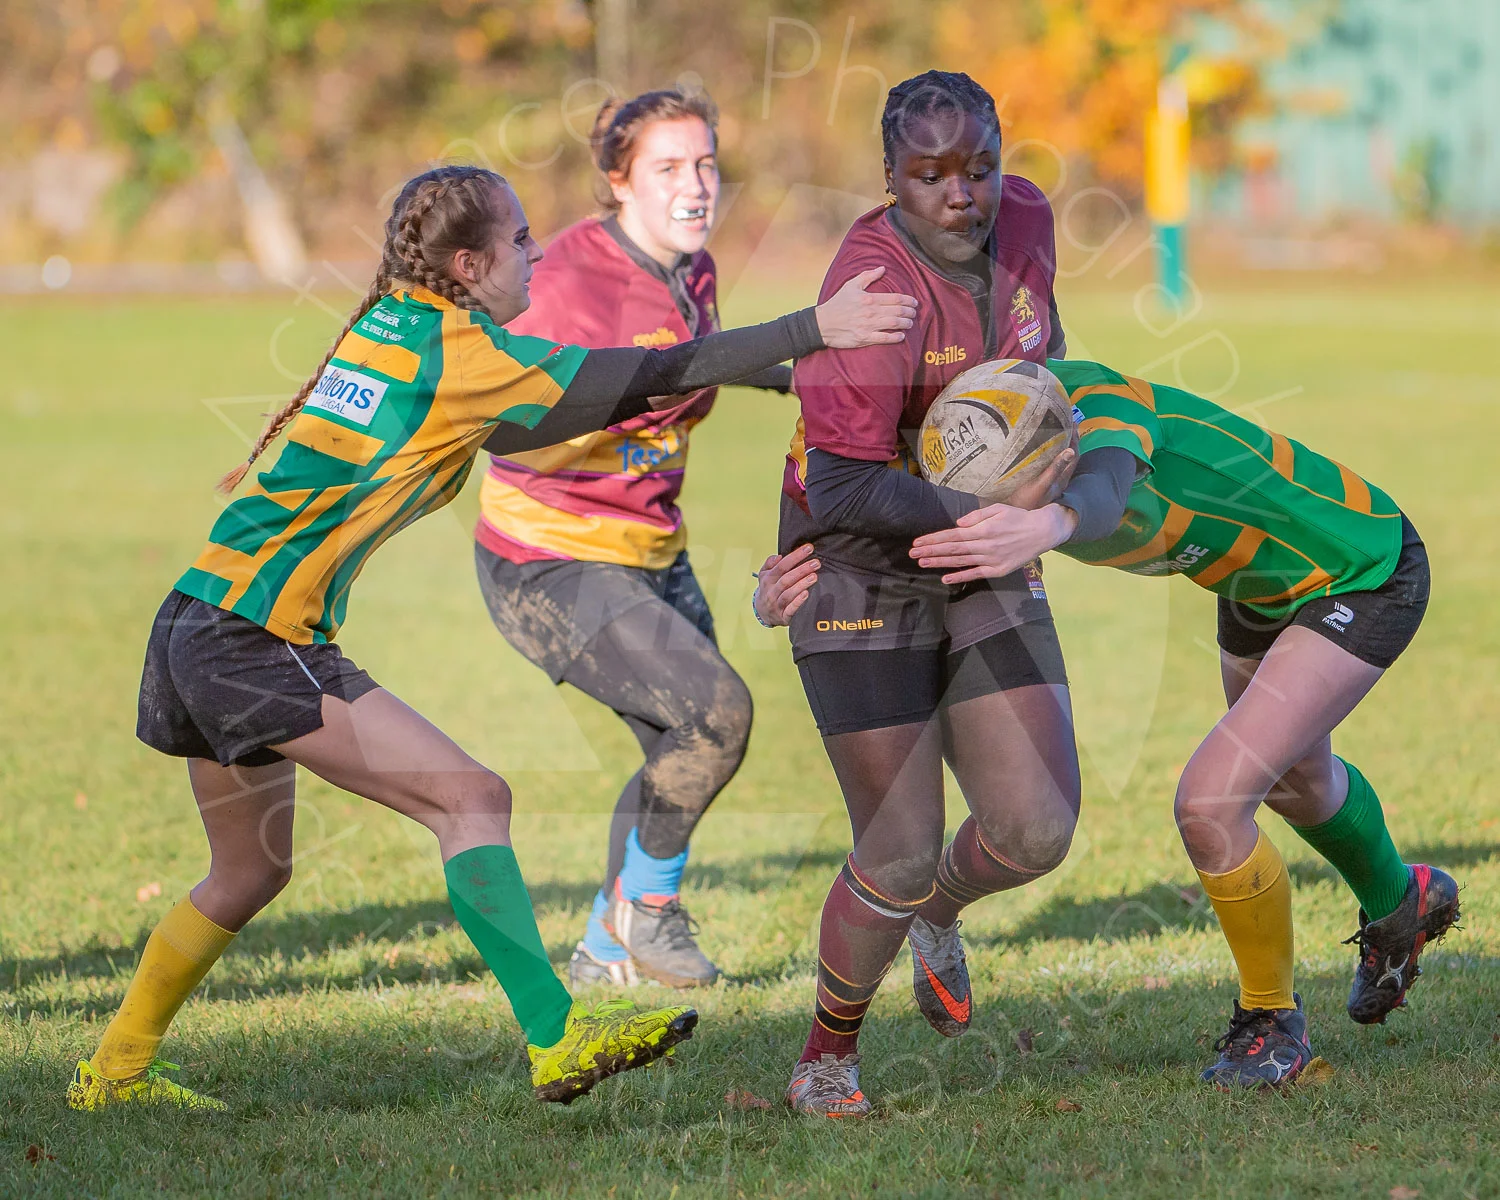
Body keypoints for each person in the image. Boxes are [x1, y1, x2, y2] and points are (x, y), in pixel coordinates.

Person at [68, 164, 916, 1113]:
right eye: (519, 241)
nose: (538, 252)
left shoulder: (399, 316)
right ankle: (557, 1038)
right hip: (252, 639)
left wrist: (786, 369)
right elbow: (636, 376)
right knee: (473, 800)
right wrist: (812, 330)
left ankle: (115, 1073)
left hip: (197, 616)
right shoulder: (461, 353)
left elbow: (538, 422)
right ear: (466, 265)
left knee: (250, 869)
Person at [763, 357, 1461, 1091]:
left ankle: (1270, 1023)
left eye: (1005, 494)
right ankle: (1400, 902)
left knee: (1212, 803)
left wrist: (1049, 521)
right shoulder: (986, 449)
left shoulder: (1093, 404)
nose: (984, 509)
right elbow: (866, 491)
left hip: (1359, 564)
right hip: (1257, 586)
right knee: (1297, 779)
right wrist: (778, 584)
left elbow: (1102, 490)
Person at [774, 71, 1081, 1119]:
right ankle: (826, 1058)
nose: (964, 192)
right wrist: (985, 501)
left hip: (976, 538)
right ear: (889, 177)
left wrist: (1043, 448)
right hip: (856, 557)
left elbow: (1047, 359)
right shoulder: (873, 284)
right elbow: (843, 482)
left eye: (981, 167)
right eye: (932, 173)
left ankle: (938, 919)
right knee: (898, 848)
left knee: (1036, 827)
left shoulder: (1028, 217)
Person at [474, 89, 795, 991]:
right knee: (716, 714)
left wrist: (806, 375)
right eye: (667, 169)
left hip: (652, 547)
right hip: (548, 557)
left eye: (705, 164)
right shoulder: (565, 283)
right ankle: (648, 917)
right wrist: (628, 390)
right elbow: (508, 421)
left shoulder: (694, 269)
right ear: (618, 183)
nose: (695, 187)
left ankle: (605, 950)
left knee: (685, 744)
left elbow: (695, 360)